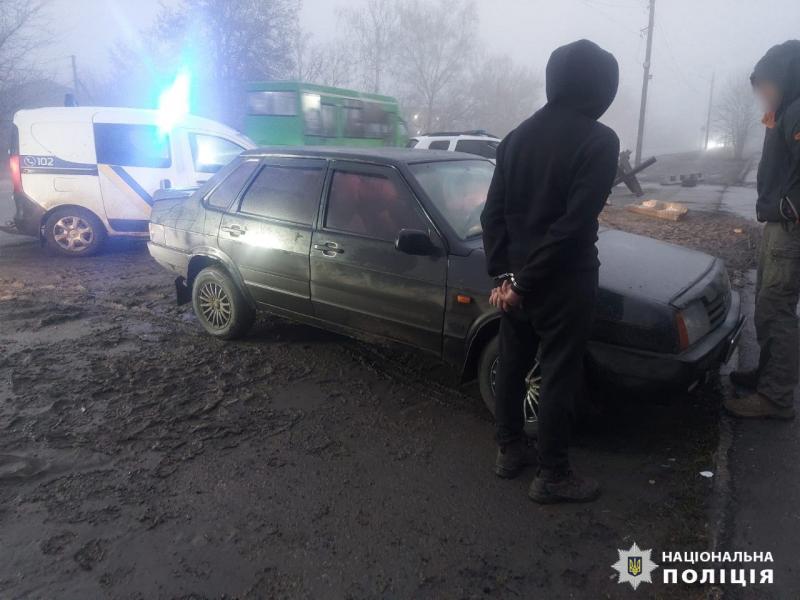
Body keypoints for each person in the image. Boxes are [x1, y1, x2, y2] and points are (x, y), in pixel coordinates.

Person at [481, 39, 620, 504]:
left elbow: (491, 216)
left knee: (515, 363)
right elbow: (572, 226)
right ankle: (553, 475)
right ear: (601, 86)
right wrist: (520, 281)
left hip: (518, 282)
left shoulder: (515, 138)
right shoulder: (599, 140)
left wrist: (505, 278)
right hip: (565, 281)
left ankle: (508, 451)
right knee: (559, 374)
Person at [726, 40, 800, 420]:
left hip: (789, 227)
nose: (762, 94)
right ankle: (767, 377)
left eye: (766, 85)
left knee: (777, 308)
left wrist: (790, 207)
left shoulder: (797, 110)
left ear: (786, 76)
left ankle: (776, 397)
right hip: (779, 223)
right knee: (767, 305)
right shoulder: (785, 109)